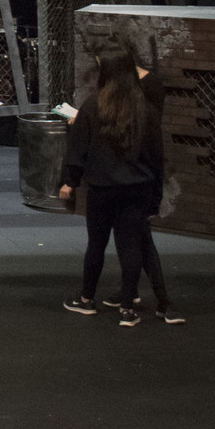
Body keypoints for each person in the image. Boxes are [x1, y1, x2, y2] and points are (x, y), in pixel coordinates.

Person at [58, 42, 169, 327]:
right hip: (138, 188)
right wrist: (155, 198)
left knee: (96, 244)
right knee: (130, 246)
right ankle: (127, 309)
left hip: (102, 187)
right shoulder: (145, 109)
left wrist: (70, 181)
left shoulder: (93, 106)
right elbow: (156, 157)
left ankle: (86, 300)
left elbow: (78, 149)